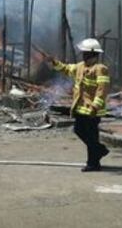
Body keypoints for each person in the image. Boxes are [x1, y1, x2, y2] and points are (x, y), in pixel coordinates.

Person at [42, 38, 111, 171]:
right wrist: (54, 62)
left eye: (86, 53)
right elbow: (66, 69)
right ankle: (99, 150)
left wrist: (95, 106)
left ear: (93, 54)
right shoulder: (80, 67)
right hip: (80, 108)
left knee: (91, 136)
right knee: (79, 130)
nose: (84, 56)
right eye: (83, 53)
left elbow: (102, 90)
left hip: (92, 110)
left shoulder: (100, 69)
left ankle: (93, 163)